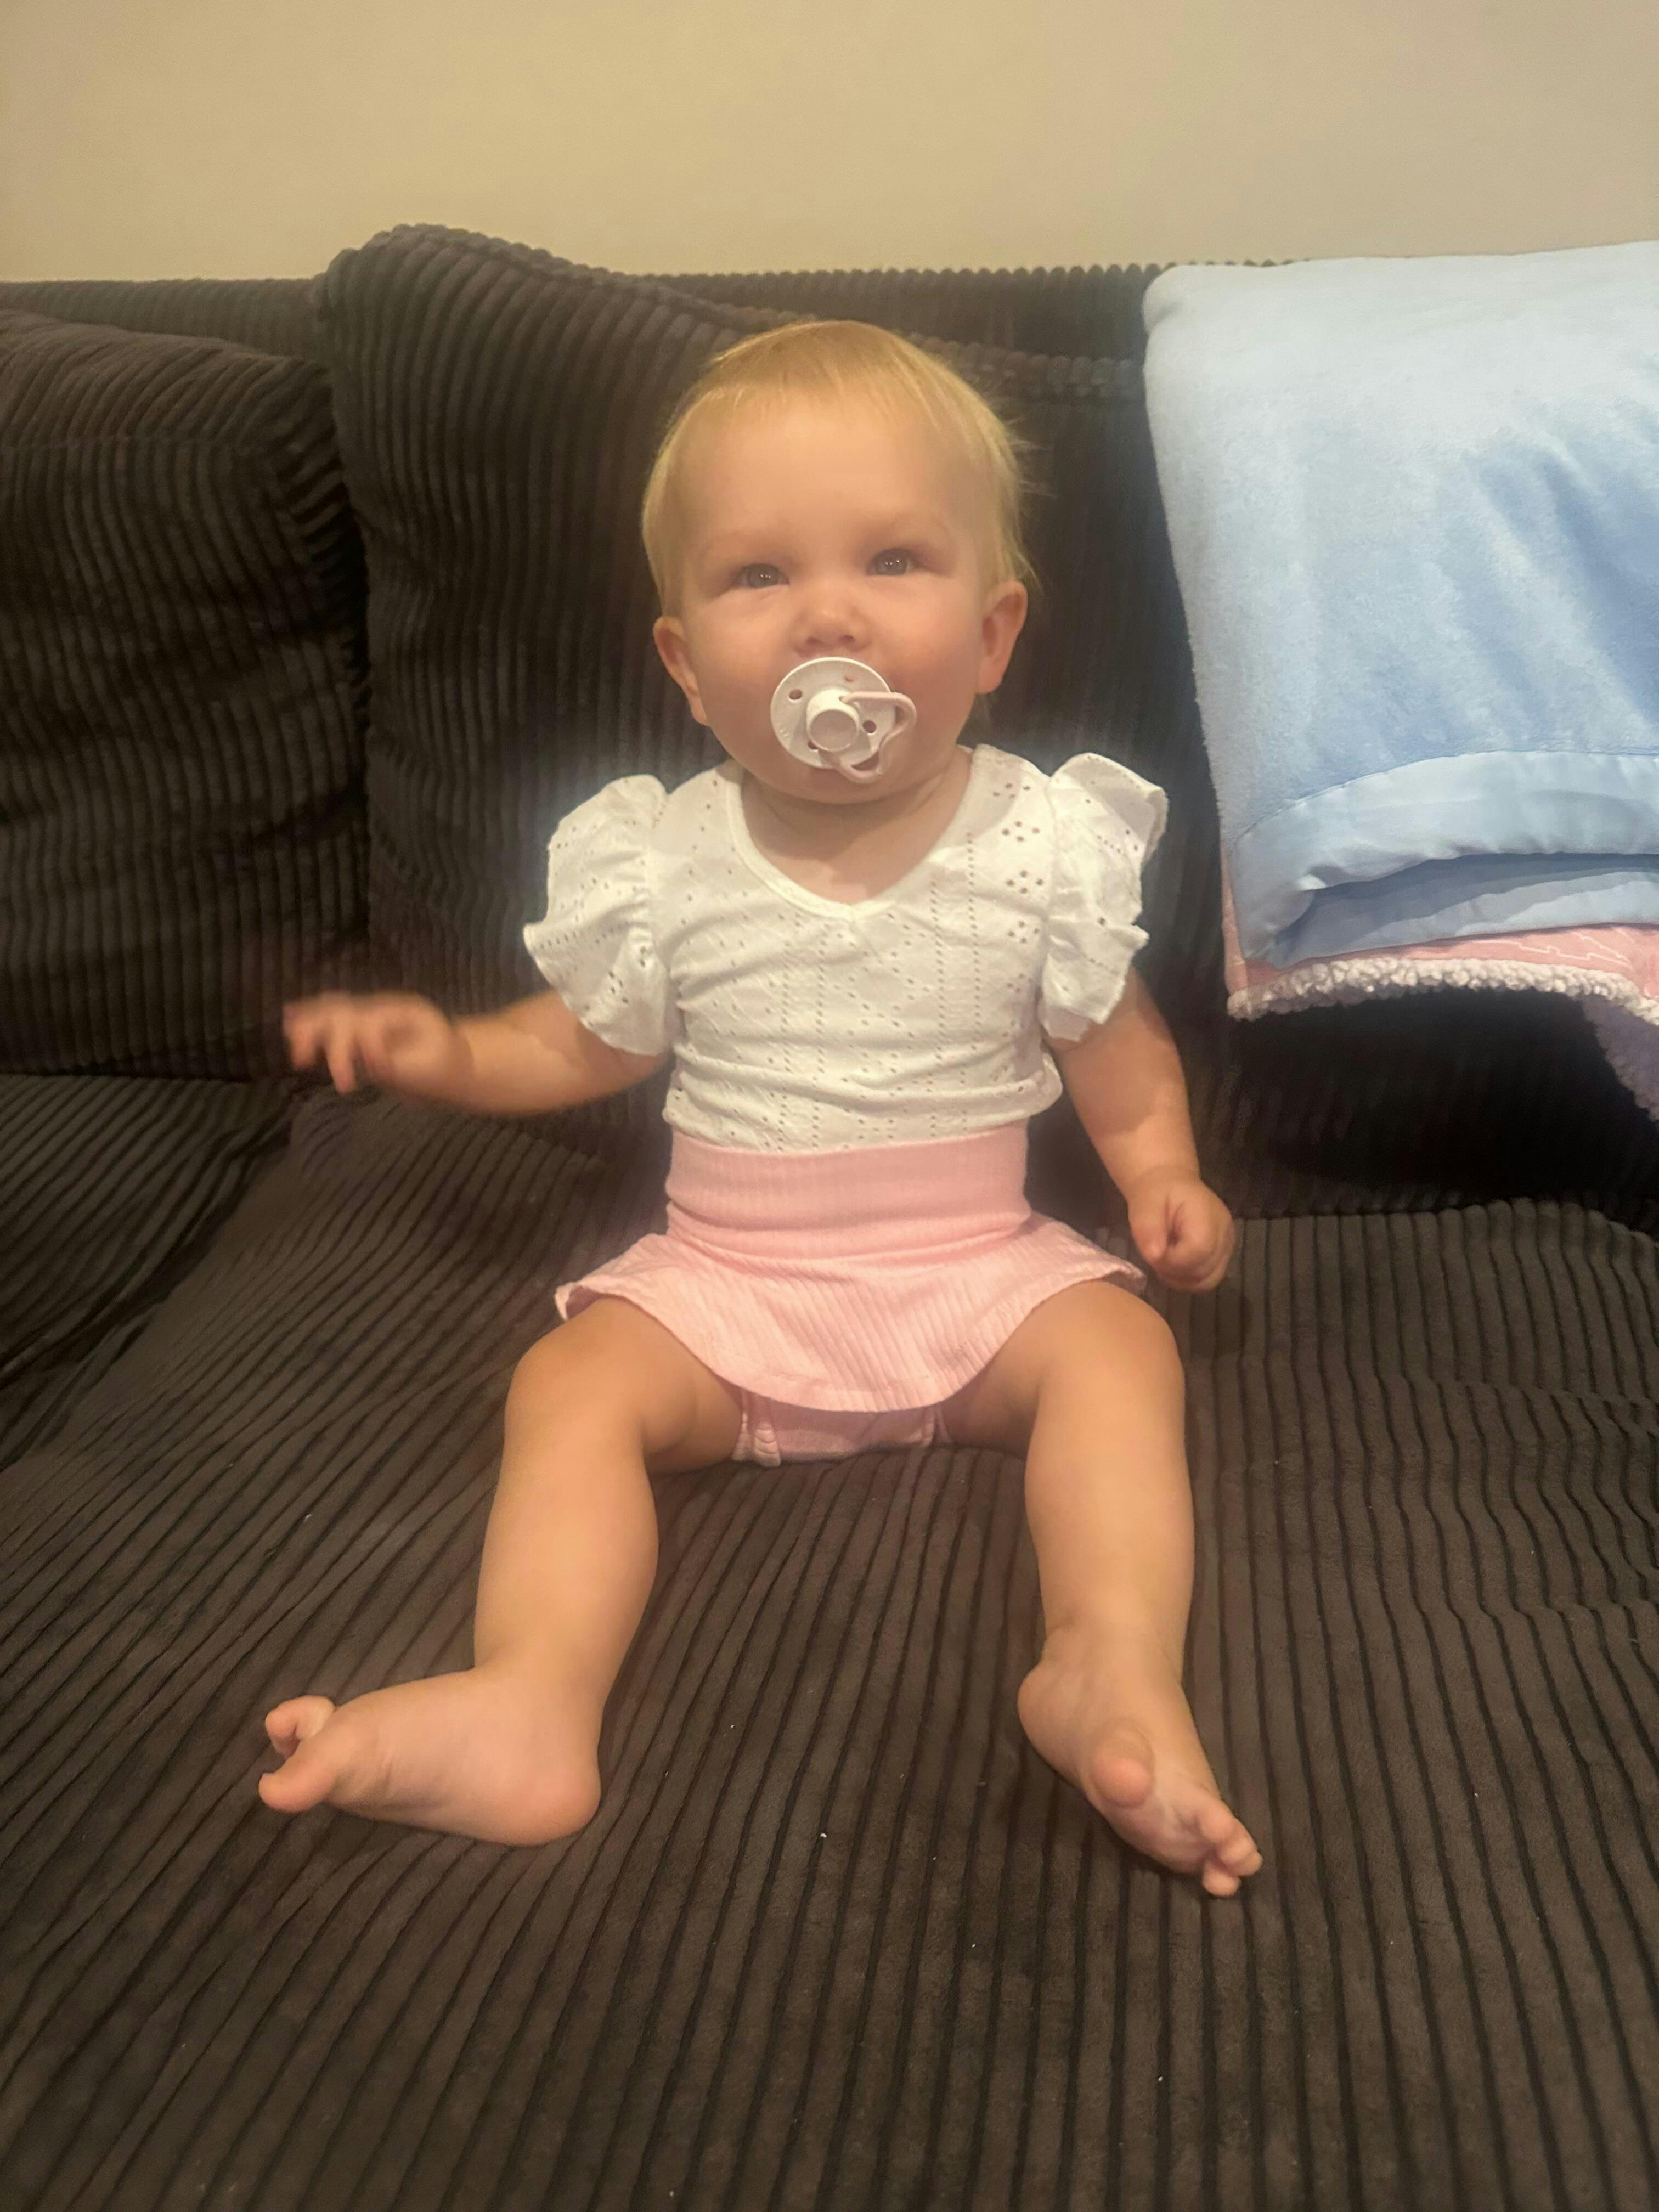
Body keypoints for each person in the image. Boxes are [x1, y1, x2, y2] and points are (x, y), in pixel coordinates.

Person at [258, 320, 1263, 1898]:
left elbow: (1113, 1039)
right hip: (728, 1293)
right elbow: (579, 1044)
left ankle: (1109, 1663)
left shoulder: (1042, 843)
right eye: (757, 576)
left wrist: (1162, 1175)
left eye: (892, 560)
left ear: (992, 633)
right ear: (685, 665)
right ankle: (529, 1698)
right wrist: (443, 1051)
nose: (828, 616)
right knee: (571, 1384)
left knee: (1122, 1354)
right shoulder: (665, 860)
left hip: (980, 1277)